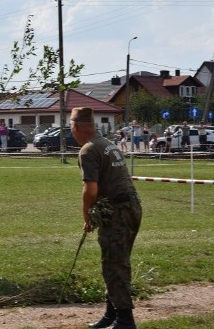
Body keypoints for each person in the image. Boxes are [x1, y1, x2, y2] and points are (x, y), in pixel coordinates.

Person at [70, 107, 142, 329]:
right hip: (131, 207)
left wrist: (87, 217)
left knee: (114, 264)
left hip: (117, 211)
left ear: (76, 127)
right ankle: (111, 314)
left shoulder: (88, 150)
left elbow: (90, 190)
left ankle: (125, 320)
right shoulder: (108, 144)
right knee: (114, 261)